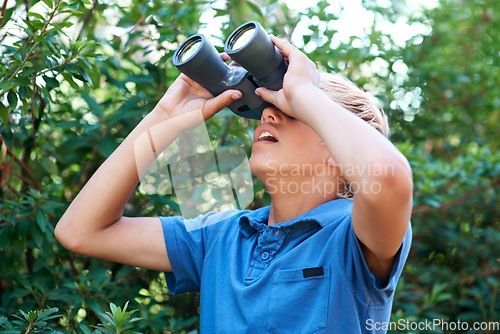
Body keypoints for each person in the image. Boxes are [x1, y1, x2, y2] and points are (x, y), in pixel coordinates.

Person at [55, 35, 413, 333]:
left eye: (293, 111)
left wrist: (304, 91)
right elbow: (81, 231)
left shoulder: (353, 238)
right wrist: (165, 117)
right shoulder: (222, 238)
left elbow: (389, 176)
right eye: (266, 106)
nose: (268, 114)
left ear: (340, 149)